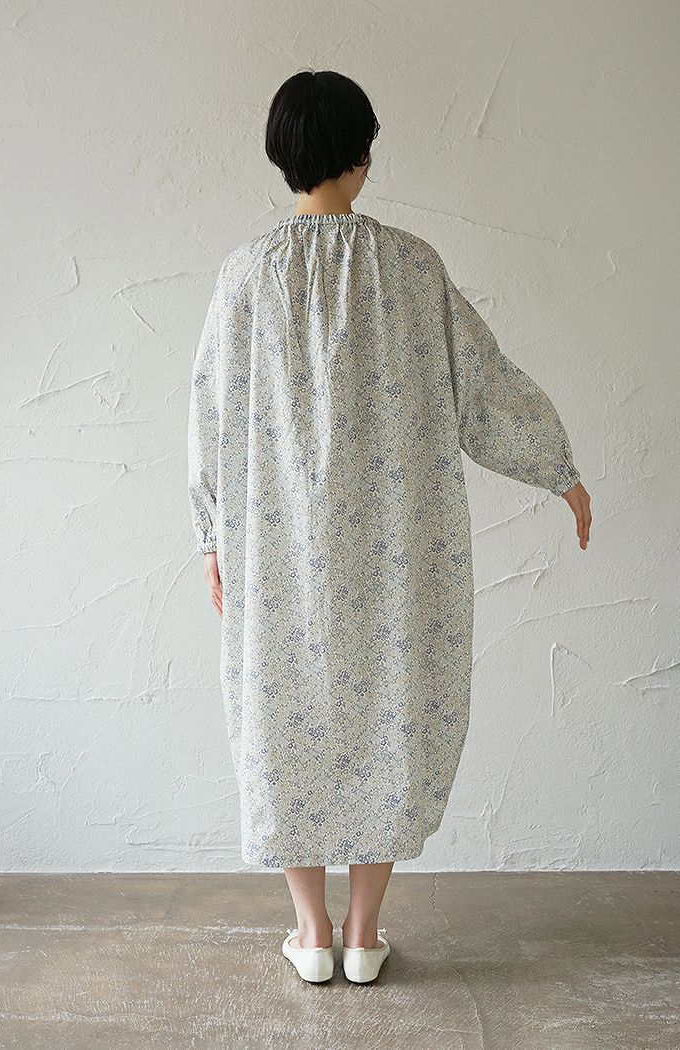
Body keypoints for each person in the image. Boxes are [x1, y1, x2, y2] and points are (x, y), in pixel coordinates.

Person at [187, 69, 592, 984]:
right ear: (363, 155)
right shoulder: (411, 268)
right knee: (390, 709)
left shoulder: (245, 274)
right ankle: (364, 933)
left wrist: (210, 535)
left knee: (281, 716)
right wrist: (557, 468)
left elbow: (209, 412)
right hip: (399, 550)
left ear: (280, 155)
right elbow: (483, 385)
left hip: (279, 551)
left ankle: (311, 933)